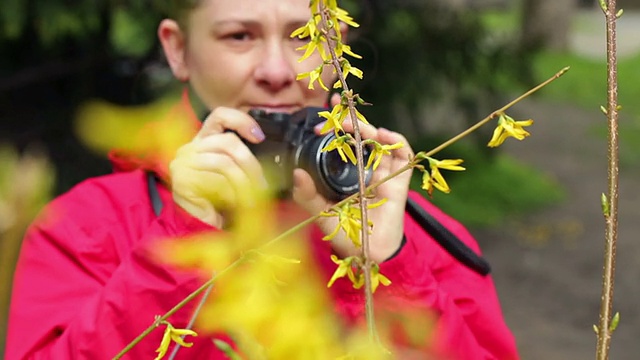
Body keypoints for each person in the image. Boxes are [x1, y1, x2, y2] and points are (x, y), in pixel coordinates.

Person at [5, 0, 519, 359]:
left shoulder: (418, 240)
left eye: (305, 37)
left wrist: (384, 275)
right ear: (177, 49)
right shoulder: (87, 227)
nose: (277, 70)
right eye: (239, 35)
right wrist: (180, 243)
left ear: (338, 50)